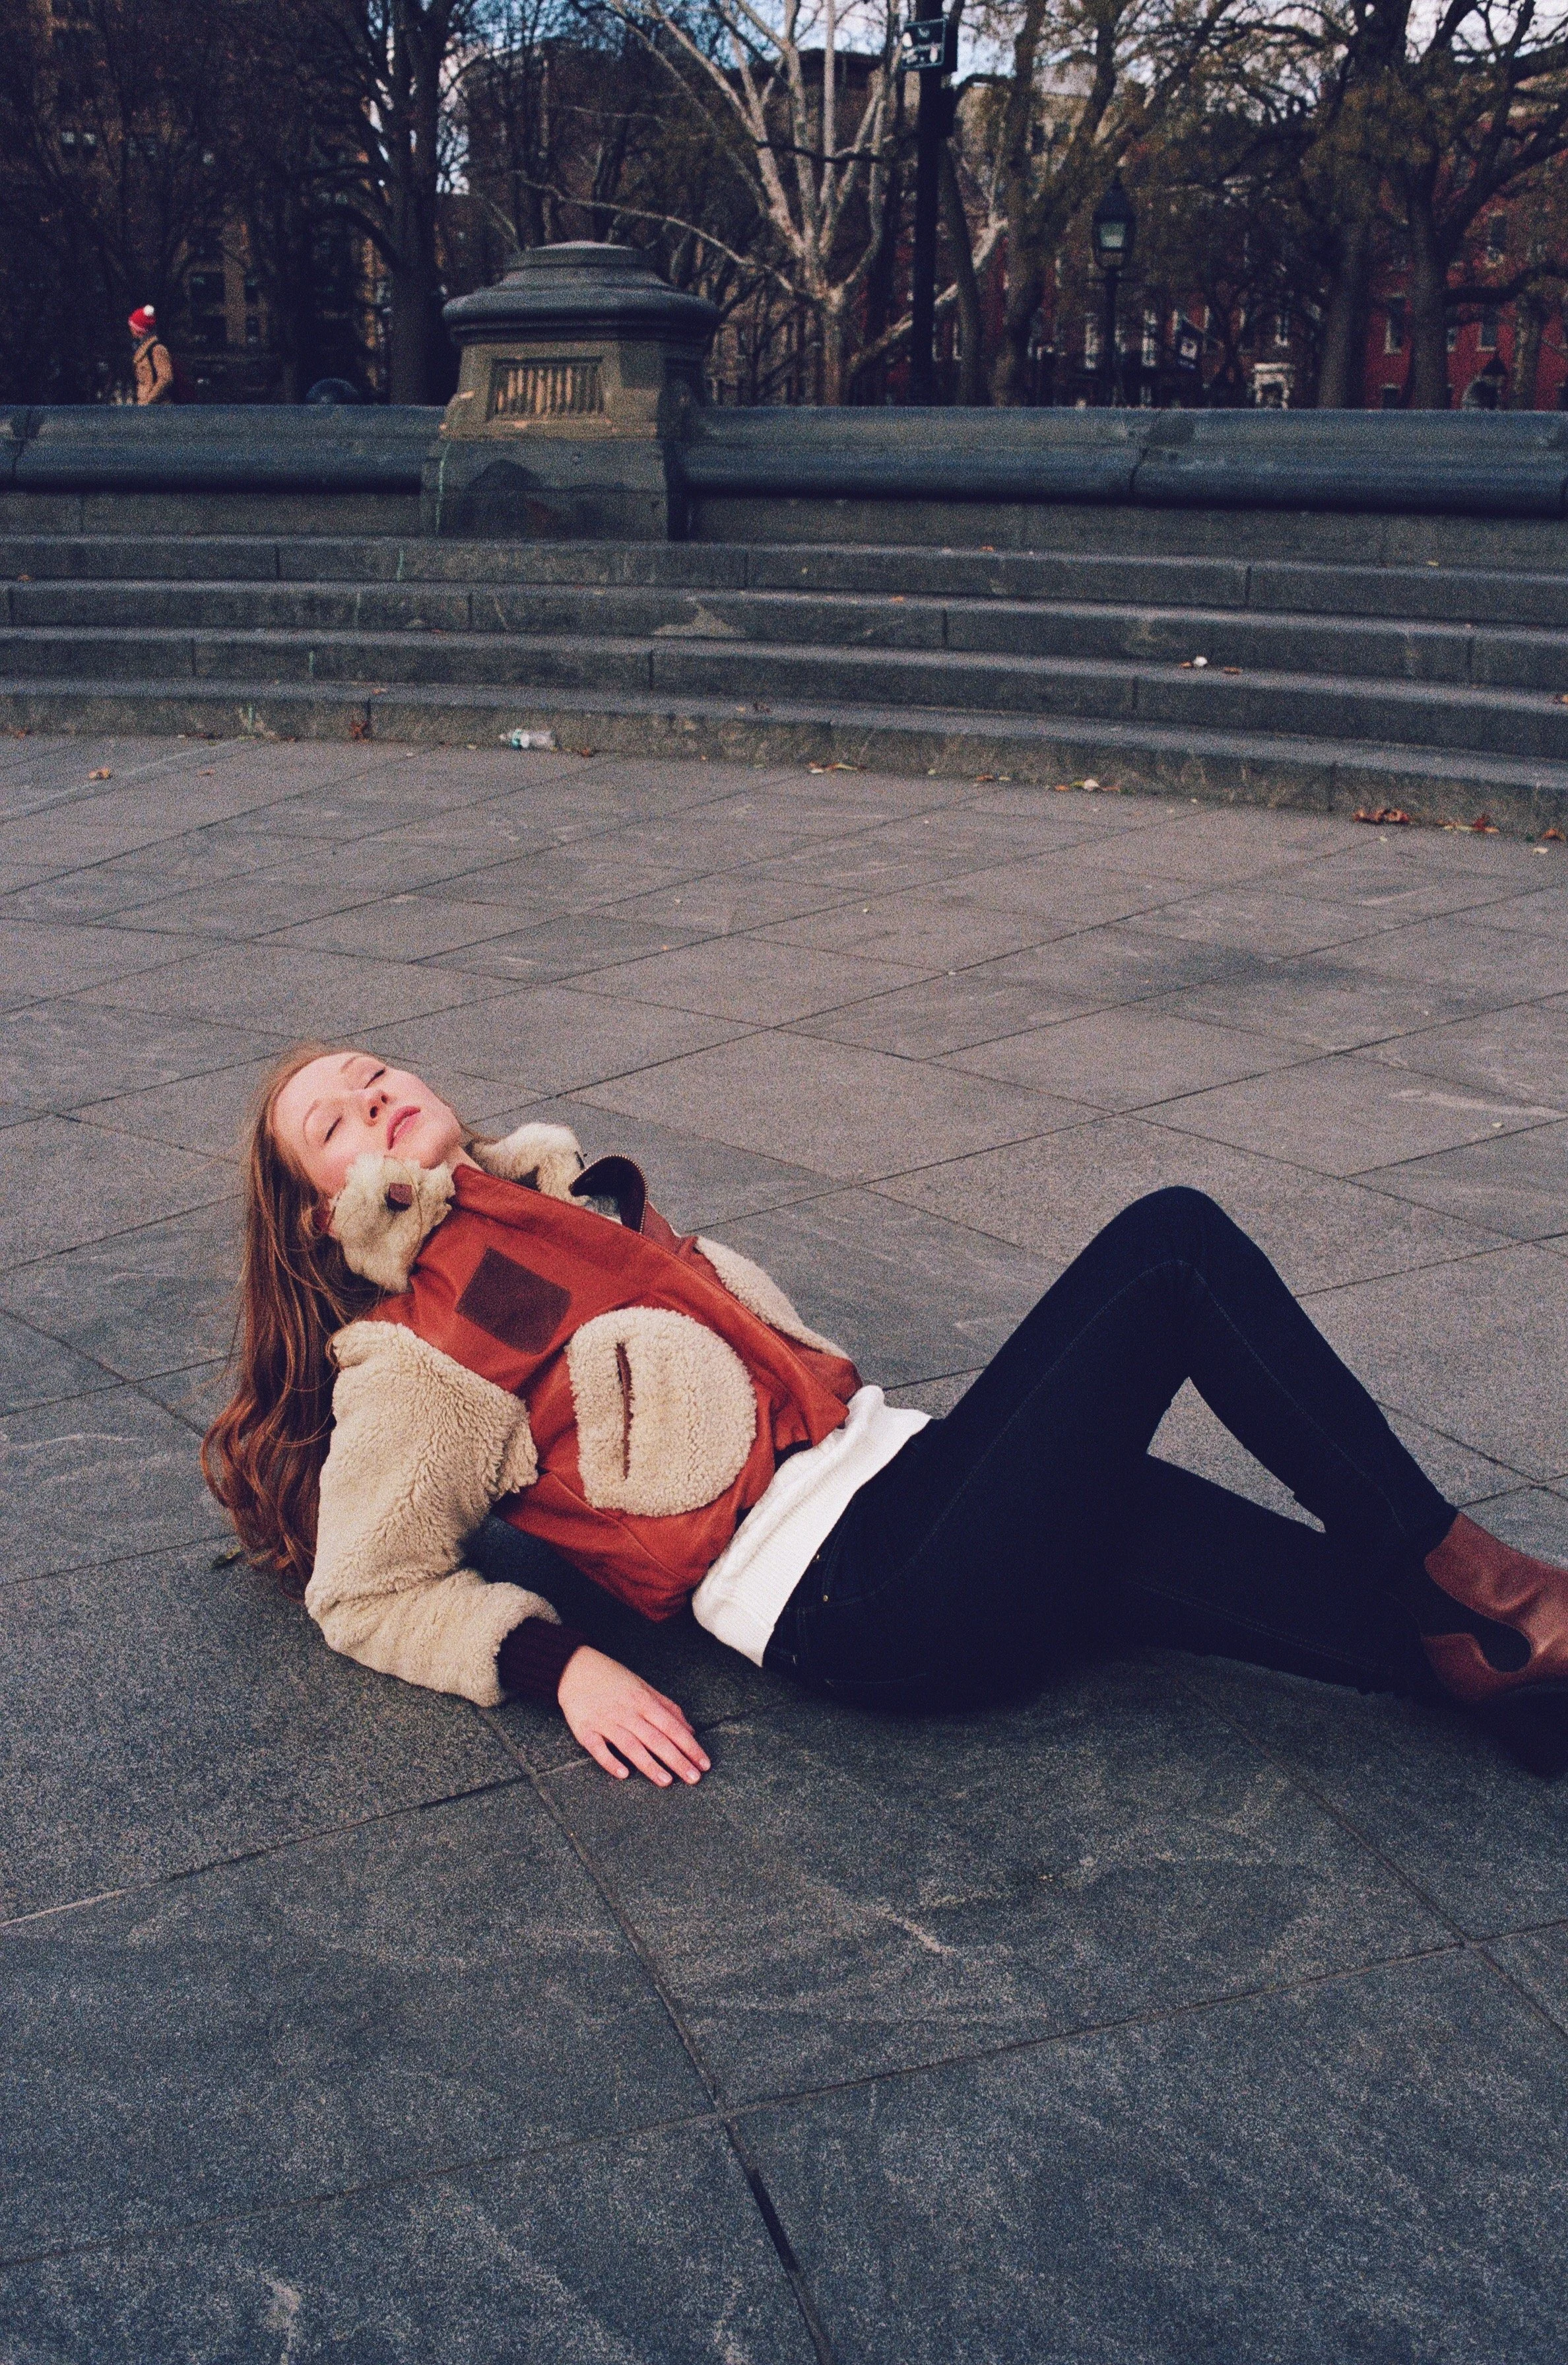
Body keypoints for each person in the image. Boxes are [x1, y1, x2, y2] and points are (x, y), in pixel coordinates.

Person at [203, 1046, 1568, 1791]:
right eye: (335, 1122)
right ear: (321, 1215)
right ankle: (1480, 1574)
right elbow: (364, 1590)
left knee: (1380, 1631)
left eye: (375, 1071)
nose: (373, 1095)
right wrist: (560, 1667)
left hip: (924, 1496)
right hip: (868, 1592)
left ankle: (1518, 1672)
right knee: (1170, 1251)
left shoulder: (563, 1203)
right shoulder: (411, 1355)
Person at [128, 306, 180, 405]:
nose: (131, 329)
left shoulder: (157, 349)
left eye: (133, 326)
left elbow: (166, 378)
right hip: (146, 406)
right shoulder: (143, 349)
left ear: (139, 329)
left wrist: (148, 400)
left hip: (157, 407)